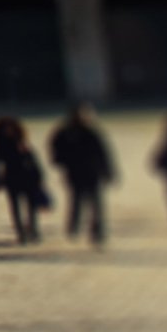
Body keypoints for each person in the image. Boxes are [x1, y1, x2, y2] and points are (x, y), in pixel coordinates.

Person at [48, 102, 116, 246]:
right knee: (76, 201)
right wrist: (62, 161)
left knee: (96, 204)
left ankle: (98, 232)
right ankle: (74, 227)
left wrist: (109, 172)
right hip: (75, 173)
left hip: (92, 173)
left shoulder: (92, 132)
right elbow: (55, 151)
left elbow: (104, 154)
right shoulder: (65, 133)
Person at [0, 116, 49, 245]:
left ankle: (33, 230)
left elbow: (34, 162)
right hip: (12, 180)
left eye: (10, 128)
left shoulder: (22, 142)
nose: (8, 131)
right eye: (5, 128)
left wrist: (39, 177)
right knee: (15, 208)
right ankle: (21, 232)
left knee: (31, 207)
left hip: (28, 179)